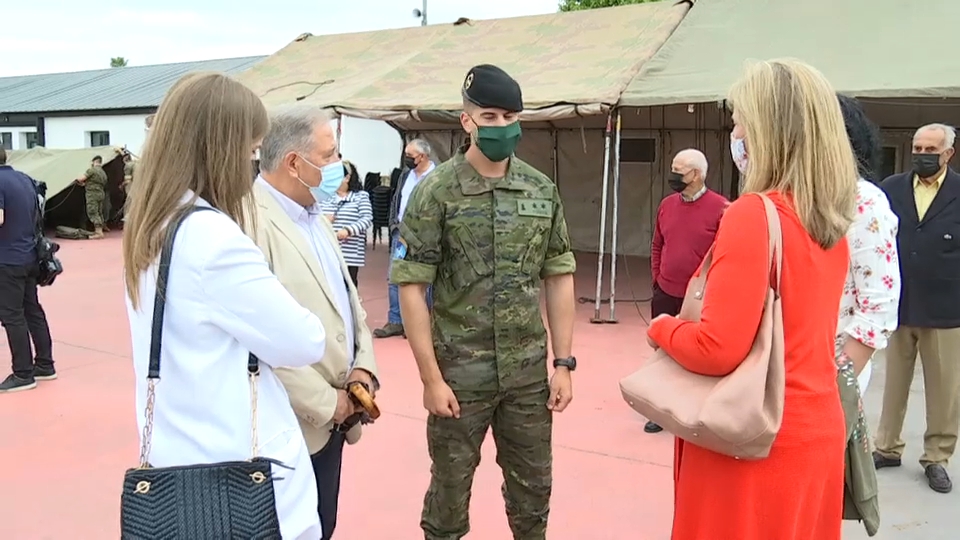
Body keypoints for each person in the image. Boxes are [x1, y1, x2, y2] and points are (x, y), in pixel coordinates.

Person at [647, 59, 857, 540]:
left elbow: (717, 347)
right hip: (816, 431)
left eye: (740, 119)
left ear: (766, 130)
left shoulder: (752, 214)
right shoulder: (831, 220)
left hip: (754, 439)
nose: (735, 130)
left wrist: (661, 328)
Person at [122, 72, 325, 540]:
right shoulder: (212, 238)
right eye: (252, 150)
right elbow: (303, 341)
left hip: (180, 466)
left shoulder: (153, 224)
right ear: (220, 148)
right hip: (239, 482)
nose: (252, 164)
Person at [392, 64, 577, 540]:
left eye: (510, 116)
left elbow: (558, 275)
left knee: (533, 496)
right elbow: (412, 286)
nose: (501, 126)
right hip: (459, 380)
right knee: (449, 498)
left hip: (527, 380)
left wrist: (563, 364)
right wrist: (431, 379)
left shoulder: (540, 189)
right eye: (489, 116)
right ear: (467, 120)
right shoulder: (436, 192)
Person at [251, 106, 380, 540]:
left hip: (337, 420)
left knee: (323, 525)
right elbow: (262, 343)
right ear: (294, 162)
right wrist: (330, 404)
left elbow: (350, 303)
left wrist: (363, 367)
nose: (337, 166)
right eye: (329, 156)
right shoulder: (250, 225)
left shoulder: (316, 218)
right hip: (294, 426)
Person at [875, 122, 960, 494]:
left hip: (946, 308)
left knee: (944, 389)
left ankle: (936, 458)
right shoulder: (890, 188)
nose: (922, 156)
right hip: (898, 304)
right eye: (918, 148)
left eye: (930, 150)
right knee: (894, 383)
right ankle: (887, 447)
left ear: (948, 154)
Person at [834, 93, 900, 534]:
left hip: (832, 371)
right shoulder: (786, 195)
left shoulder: (864, 201)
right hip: (782, 369)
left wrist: (836, 378)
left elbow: (879, 306)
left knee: (821, 480)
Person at [643, 148, 727, 434]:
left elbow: (725, 254)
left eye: (680, 170)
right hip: (665, 290)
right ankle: (659, 409)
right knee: (661, 351)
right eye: (673, 168)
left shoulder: (721, 208)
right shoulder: (667, 204)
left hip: (700, 298)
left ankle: (692, 409)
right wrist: (657, 277)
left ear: (698, 174)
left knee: (695, 354)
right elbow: (657, 244)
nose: (673, 175)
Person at [0, 148, 56, 393]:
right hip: (29, 256)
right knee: (32, 310)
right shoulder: (24, 179)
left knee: (12, 316)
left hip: (7, 259)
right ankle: (44, 364)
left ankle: (23, 373)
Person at [374, 139, 435, 338]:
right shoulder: (405, 175)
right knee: (394, 276)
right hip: (401, 233)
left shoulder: (437, 176)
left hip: (426, 235)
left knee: (423, 278)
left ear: (423, 157)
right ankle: (395, 321)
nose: (407, 160)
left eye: (410, 156)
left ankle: (421, 322)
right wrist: (393, 224)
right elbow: (396, 199)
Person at [319, 159, 373, 286]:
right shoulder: (324, 197)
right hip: (327, 252)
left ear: (346, 178)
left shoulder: (360, 196)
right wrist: (324, 220)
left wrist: (349, 230)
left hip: (350, 253)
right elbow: (313, 217)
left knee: (349, 286)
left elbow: (367, 218)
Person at [75, 155, 108, 239]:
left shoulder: (92, 170)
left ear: (94, 162)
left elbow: (81, 179)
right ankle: (100, 229)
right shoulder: (103, 172)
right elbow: (96, 182)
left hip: (92, 194)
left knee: (93, 211)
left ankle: (98, 232)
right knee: (99, 212)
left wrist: (76, 179)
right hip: (101, 193)